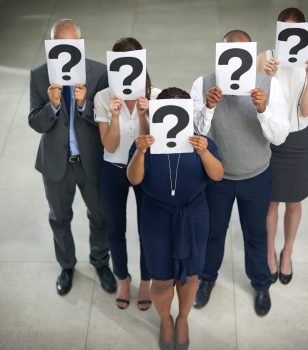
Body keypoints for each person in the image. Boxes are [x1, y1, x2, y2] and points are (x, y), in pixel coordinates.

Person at [190, 29, 289, 316]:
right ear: (221, 52)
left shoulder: (268, 84)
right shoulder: (203, 83)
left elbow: (280, 137)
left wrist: (263, 109)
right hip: (217, 177)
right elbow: (196, 134)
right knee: (212, 233)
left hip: (256, 175)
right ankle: (207, 279)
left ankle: (260, 284)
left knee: (256, 233)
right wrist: (208, 107)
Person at [127, 87, 223, 350]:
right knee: (161, 277)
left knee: (191, 274)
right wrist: (139, 152)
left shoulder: (199, 141)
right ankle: (165, 318)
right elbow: (133, 178)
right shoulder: (146, 142)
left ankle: (182, 317)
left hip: (193, 216)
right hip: (156, 218)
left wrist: (204, 153)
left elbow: (217, 175)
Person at [28, 19, 116, 296]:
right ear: (51, 45)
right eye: (58, 44)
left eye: (70, 43)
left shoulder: (99, 73)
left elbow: (108, 118)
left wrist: (83, 104)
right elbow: (35, 122)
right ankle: (67, 266)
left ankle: (101, 262)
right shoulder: (39, 75)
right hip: (55, 165)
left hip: (91, 162)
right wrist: (52, 106)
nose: (64, 49)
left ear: (80, 43)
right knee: (59, 217)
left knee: (100, 216)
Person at [257, 8, 308, 285]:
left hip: (298, 140)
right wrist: (265, 75)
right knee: (270, 202)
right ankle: (270, 253)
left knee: (294, 202)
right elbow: (255, 100)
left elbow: (306, 109)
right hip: (270, 138)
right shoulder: (265, 57)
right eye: (284, 30)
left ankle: (287, 252)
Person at [94, 37, 161, 311]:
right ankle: (123, 277)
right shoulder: (103, 97)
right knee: (115, 229)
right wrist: (113, 116)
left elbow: (153, 144)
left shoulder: (155, 96)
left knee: (147, 229)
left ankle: (146, 280)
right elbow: (109, 145)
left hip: (144, 168)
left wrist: (146, 115)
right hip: (113, 168)